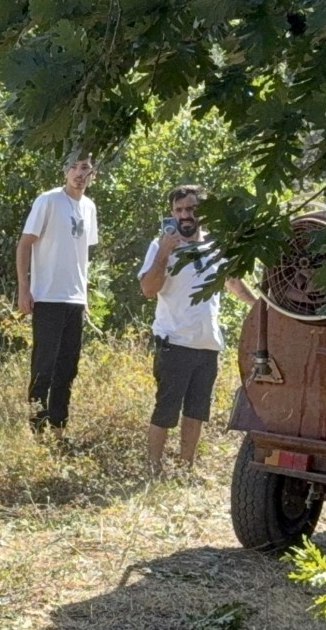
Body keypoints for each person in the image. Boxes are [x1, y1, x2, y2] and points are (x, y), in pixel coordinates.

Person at [139, 184, 256, 472]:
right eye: (178, 210)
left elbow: (232, 282)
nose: (185, 215)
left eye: (190, 209)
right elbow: (148, 290)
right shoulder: (160, 246)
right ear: (172, 214)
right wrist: (164, 254)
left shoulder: (215, 246)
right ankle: (153, 468)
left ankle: (185, 467)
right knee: (166, 410)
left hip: (207, 344)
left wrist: (259, 307)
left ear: (202, 211)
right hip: (174, 342)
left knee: (196, 411)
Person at [16, 151, 99, 440]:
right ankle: (36, 432)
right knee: (44, 368)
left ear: (93, 174)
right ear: (65, 172)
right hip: (47, 297)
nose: (79, 173)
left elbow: (82, 255)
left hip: (74, 300)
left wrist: (84, 296)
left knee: (68, 369)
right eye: (73, 167)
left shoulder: (89, 207)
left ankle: (59, 430)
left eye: (85, 168)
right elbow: (25, 243)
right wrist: (24, 288)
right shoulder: (48, 200)